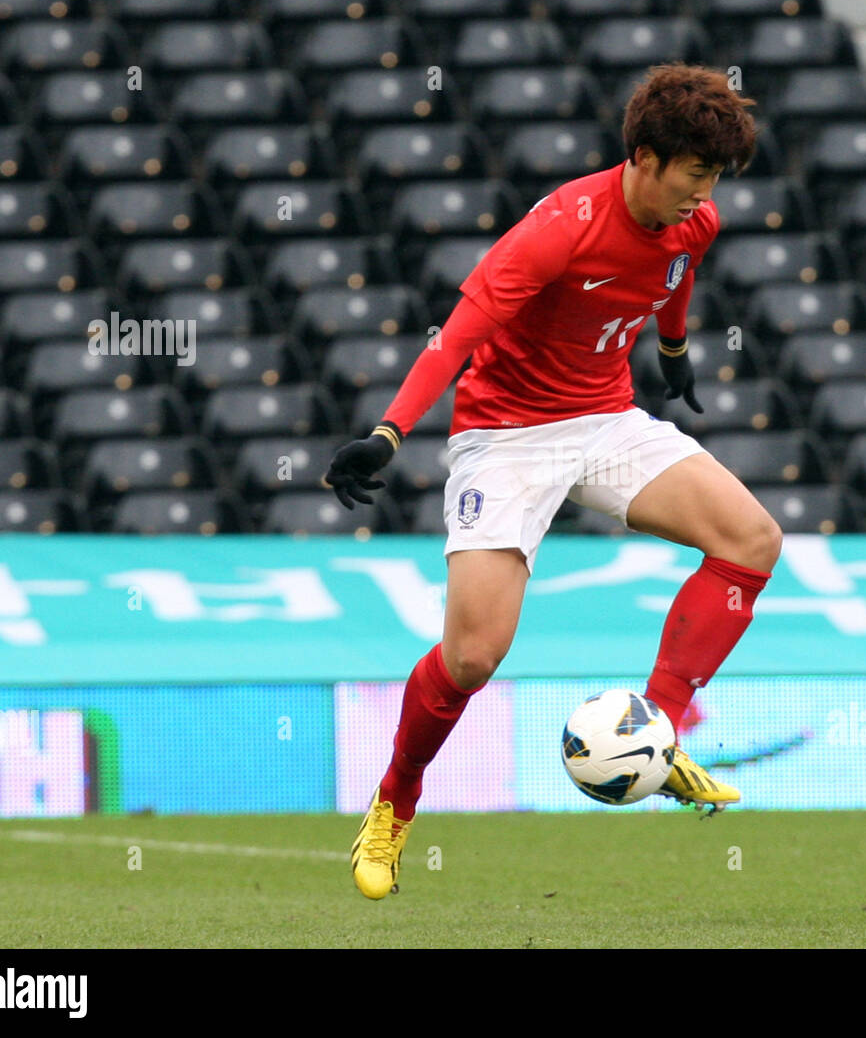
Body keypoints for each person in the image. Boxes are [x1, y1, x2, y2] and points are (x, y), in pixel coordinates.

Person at [325, 63, 783, 900]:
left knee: (753, 539)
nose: (704, 194)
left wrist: (673, 355)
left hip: (606, 421)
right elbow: (457, 334)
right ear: (644, 157)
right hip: (506, 438)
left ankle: (660, 729)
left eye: (714, 179)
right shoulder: (560, 228)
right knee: (471, 657)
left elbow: (675, 282)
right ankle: (394, 804)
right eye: (694, 173)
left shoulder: (695, 221)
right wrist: (390, 431)